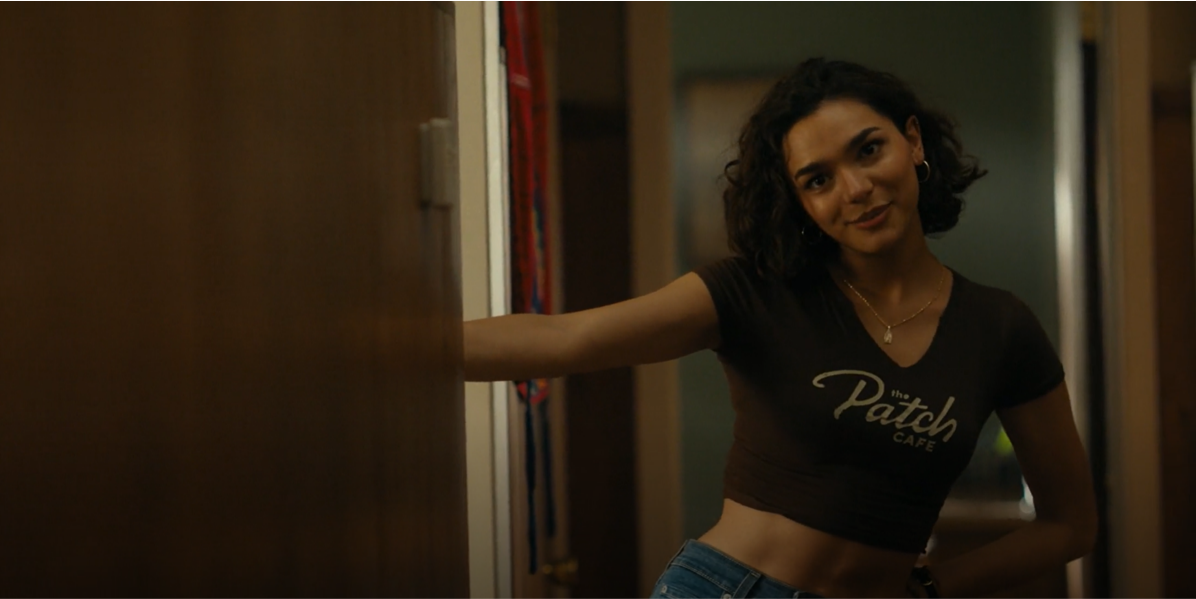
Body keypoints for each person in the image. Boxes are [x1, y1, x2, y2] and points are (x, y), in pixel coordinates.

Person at [463, 58, 1097, 599]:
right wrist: (410, 347)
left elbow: (1070, 525)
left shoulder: (1000, 327)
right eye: (818, 180)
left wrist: (933, 588)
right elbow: (567, 339)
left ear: (913, 141)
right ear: (800, 201)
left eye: (868, 150)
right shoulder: (755, 292)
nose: (856, 189)